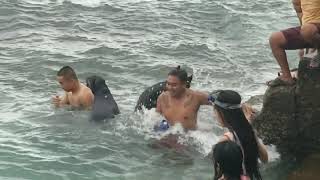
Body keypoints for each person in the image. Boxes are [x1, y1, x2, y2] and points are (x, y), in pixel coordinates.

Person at [209, 90, 268, 180]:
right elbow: (265, 159)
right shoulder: (248, 131)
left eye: (215, 111)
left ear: (222, 113)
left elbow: (221, 171)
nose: (214, 115)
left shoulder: (225, 140)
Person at [268, 0, 320, 87]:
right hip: (311, 30)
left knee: (307, 30)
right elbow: (300, 14)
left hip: (312, 29)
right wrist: (305, 43)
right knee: (275, 39)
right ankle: (287, 77)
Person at [156, 66, 210, 131]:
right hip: (168, 135)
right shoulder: (162, 97)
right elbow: (156, 117)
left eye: (174, 85)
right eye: (168, 84)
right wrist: (160, 123)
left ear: (184, 84)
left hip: (189, 138)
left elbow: (218, 102)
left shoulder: (196, 97)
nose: (170, 88)